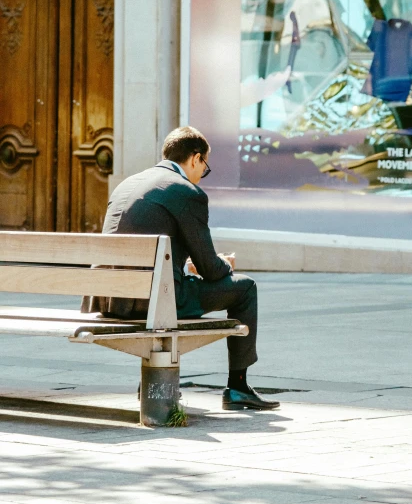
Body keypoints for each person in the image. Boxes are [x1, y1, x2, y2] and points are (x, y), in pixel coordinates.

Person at [82, 126, 279, 412]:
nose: (202, 174)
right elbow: (211, 270)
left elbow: (149, 251)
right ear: (195, 158)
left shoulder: (127, 184)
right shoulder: (186, 191)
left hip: (108, 298)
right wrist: (226, 263)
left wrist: (185, 265)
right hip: (153, 302)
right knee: (245, 287)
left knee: (167, 287)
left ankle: (149, 383)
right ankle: (238, 388)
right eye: (204, 167)